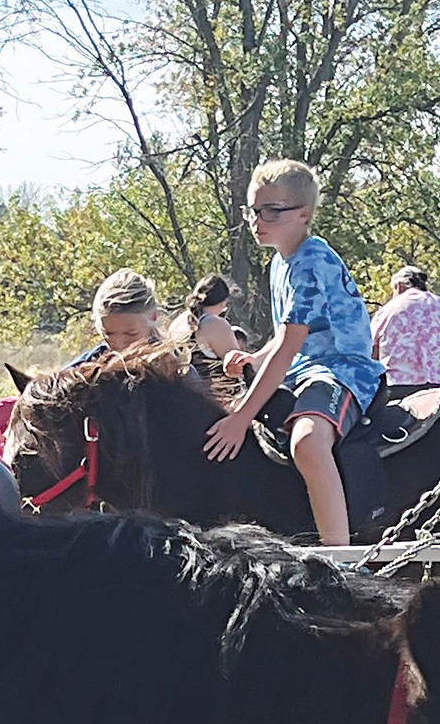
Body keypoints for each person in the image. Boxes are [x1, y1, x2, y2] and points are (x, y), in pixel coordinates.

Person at [205, 159, 384, 546]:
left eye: (272, 210)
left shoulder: (312, 259)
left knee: (306, 440)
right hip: (304, 369)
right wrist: (253, 358)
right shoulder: (279, 264)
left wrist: (241, 417)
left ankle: (340, 557)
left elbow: (289, 346)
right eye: (253, 210)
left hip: (341, 368)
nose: (258, 220)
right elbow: (283, 338)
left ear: (303, 214)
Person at [65, 270, 164, 366]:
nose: (119, 344)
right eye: (109, 334)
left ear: (153, 317)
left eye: (130, 334)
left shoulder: (175, 369)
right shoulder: (82, 373)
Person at [370, 264, 440, 387]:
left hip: (399, 386)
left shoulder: (387, 311)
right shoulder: (437, 304)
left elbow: (371, 353)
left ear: (398, 287)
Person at [170, 273, 242, 367]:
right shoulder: (216, 324)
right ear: (223, 302)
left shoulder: (177, 323)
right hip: (210, 381)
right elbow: (239, 365)